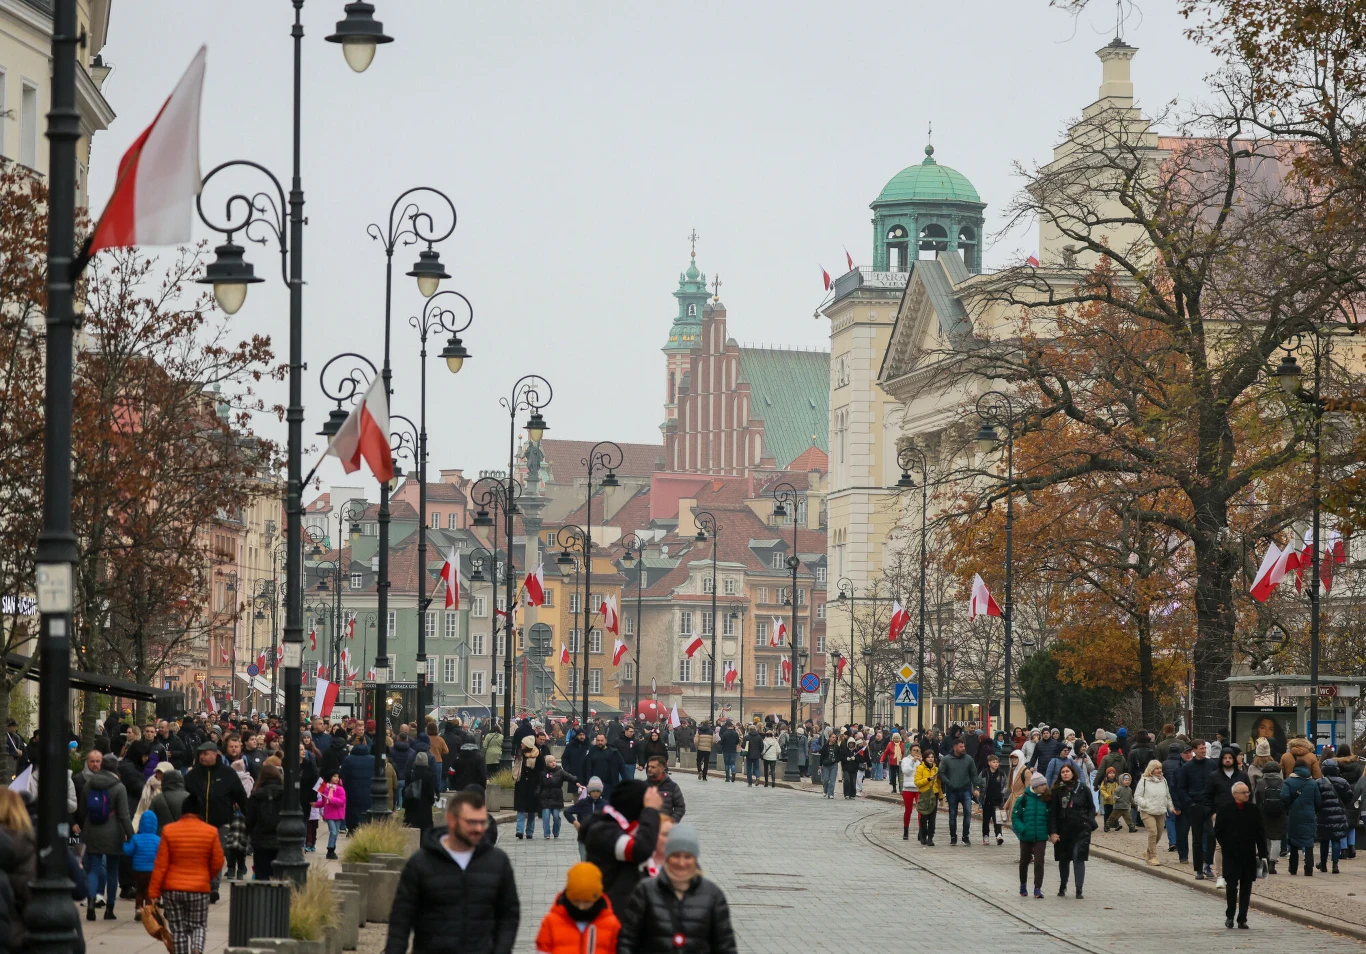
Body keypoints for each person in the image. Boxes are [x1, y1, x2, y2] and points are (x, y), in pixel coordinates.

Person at [385, 789, 519, 954]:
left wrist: (501, 949)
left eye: (482, 822)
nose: (478, 828)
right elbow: (401, 919)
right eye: (471, 822)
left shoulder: (497, 862)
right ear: (451, 820)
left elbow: (509, 914)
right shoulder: (421, 863)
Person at [617, 823, 738, 954]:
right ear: (667, 857)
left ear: (695, 858)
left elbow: (725, 946)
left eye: (687, 857)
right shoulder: (645, 891)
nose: (681, 863)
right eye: (676, 856)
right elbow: (627, 941)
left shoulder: (713, 895)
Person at [149, 793, 224, 954]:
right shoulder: (211, 831)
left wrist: (154, 892)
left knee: (178, 930)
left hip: (172, 889)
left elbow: (161, 865)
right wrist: (206, 877)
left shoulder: (169, 830)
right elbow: (218, 861)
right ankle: (196, 948)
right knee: (199, 925)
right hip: (199, 888)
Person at [181, 741, 247, 902]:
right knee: (200, 856)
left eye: (206, 754)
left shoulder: (228, 774)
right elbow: (184, 796)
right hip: (198, 822)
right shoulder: (192, 775)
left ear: (215, 754)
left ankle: (213, 886)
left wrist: (249, 816)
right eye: (200, 754)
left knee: (216, 855)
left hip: (221, 822)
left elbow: (241, 796)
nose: (202, 757)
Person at [582, 780, 663, 912]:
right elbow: (641, 850)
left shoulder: (623, 828)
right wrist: (651, 811)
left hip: (627, 908)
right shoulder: (604, 831)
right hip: (611, 910)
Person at [79, 751, 134, 920]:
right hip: (113, 833)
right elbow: (124, 815)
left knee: (93, 870)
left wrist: (84, 827)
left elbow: (82, 810)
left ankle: (90, 904)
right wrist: (131, 835)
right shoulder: (119, 787)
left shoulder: (89, 784)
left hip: (92, 831)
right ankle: (109, 909)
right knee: (112, 871)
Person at [1213, 781, 1267, 929]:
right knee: (1231, 886)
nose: (1247, 795)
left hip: (1248, 854)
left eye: (1247, 792)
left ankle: (1242, 918)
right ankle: (1230, 915)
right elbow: (1218, 831)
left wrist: (1263, 853)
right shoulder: (1224, 809)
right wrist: (1227, 846)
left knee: (1246, 887)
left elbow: (1260, 833)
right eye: (1244, 792)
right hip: (1231, 855)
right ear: (1235, 794)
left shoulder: (1254, 810)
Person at [534, 861, 620, 954]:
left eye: (587, 902)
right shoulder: (551, 922)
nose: (581, 907)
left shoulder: (611, 924)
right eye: (576, 901)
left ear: (597, 898)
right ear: (568, 897)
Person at [1048, 763, 1094, 899]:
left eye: (1067, 771)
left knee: (1078, 856)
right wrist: (1053, 832)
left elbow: (1091, 807)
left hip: (1081, 829)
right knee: (1064, 859)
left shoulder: (1083, 789)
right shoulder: (1057, 791)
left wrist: (1089, 821)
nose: (1065, 774)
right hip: (1063, 830)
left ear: (1073, 773)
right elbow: (1053, 814)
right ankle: (1063, 885)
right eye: (1063, 772)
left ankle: (1079, 889)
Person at [1013, 773, 1052, 898]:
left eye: (1045, 784)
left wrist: (1049, 831)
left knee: (1039, 862)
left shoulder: (1047, 799)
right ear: (1035, 786)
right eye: (1042, 785)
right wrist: (1022, 829)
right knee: (1024, 861)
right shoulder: (1023, 799)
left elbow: (1051, 817)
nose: (1044, 787)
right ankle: (1023, 885)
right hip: (1026, 836)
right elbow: (1015, 816)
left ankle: (1037, 888)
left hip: (1040, 836)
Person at [245, 762, 284, 880]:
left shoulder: (256, 794)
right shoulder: (285, 794)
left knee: (262, 873)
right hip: (281, 839)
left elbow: (250, 818)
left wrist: (249, 834)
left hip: (260, 840)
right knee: (279, 875)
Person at [940, 738, 982, 846]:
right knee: (952, 815)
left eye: (964, 746)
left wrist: (977, 787)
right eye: (961, 746)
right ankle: (953, 837)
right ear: (955, 748)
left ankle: (965, 836)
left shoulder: (968, 759)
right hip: (952, 791)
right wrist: (948, 783)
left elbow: (974, 774)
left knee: (967, 813)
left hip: (966, 790)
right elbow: (941, 773)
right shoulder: (947, 759)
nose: (963, 748)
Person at [1282, 763, 1321, 875]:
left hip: (1294, 814)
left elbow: (1284, 797)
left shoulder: (1288, 782)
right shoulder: (1313, 783)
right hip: (1309, 814)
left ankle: (1293, 868)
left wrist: (1288, 808)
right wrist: (1314, 811)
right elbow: (1318, 801)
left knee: (1293, 840)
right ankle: (1309, 868)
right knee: (1308, 841)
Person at [1134, 760, 1174, 865]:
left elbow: (1167, 796)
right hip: (1147, 811)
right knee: (1153, 832)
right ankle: (1153, 857)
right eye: (1157, 768)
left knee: (1159, 834)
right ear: (1151, 769)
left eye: (1160, 768)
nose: (1159, 770)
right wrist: (1144, 803)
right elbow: (1137, 796)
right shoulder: (1144, 780)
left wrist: (1171, 808)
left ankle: (1148, 851)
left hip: (1160, 811)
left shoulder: (1163, 781)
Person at [123, 807, 160, 917]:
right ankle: (148, 911)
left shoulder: (136, 838)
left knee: (139, 890)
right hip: (151, 871)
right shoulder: (158, 840)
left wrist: (124, 844)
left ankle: (138, 910)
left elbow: (128, 852)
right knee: (149, 891)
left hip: (137, 870)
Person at [1316, 760, 1351, 874]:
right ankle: (1335, 864)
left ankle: (1323, 864)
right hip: (1338, 814)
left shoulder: (1319, 782)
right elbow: (1348, 797)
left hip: (1323, 814)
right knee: (1336, 840)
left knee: (1324, 840)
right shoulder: (1343, 782)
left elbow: (1315, 798)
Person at [564, 777, 608, 861]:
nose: (595, 794)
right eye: (593, 791)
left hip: (600, 837)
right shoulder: (583, 803)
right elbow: (567, 812)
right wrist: (575, 822)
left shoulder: (605, 804)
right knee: (584, 860)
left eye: (598, 791)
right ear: (589, 791)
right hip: (584, 837)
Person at [535, 754, 577, 840]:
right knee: (546, 816)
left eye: (554, 761)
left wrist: (576, 781)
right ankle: (547, 833)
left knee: (556, 816)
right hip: (545, 798)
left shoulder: (560, 771)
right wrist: (537, 792)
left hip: (556, 797)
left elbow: (569, 777)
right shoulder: (543, 773)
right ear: (547, 764)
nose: (553, 763)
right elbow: (539, 784)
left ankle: (556, 832)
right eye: (551, 762)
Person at [644, 756, 686, 822]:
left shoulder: (672, 787)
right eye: (648, 766)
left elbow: (680, 807)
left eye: (653, 767)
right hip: (646, 825)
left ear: (661, 769)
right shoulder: (643, 786)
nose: (649, 769)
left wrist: (671, 821)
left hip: (665, 825)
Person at [316, 771, 347, 860]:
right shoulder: (325, 788)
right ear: (330, 777)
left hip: (338, 814)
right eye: (334, 776)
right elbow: (323, 802)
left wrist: (332, 799)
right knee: (333, 831)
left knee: (335, 833)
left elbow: (342, 801)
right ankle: (330, 850)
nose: (336, 778)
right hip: (329, 814)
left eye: (338, 776)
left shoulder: (340, 789)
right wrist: (316, 804)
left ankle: (332, 849)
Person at [404, 752, 437, 833]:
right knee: (425, 830)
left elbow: (405, 789)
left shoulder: (411, 774)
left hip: (412, 805)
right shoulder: (430, 776)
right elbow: (430, 792)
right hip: (425, 806)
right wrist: (432, 801)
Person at [914, 750, 941, 846]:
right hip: (924, 795)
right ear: (925, 758)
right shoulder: (920, 768)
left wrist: (941, 797)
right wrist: (928, 779)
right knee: (924, 817)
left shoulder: (936, 769)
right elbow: (917, 782)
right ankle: (923, 835)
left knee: (932, 818)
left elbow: (939, 784)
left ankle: (930, 837)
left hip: (934, 795)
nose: (930, 759)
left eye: (932, 757)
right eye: (929, 757)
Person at [980, 753, 1008, 846]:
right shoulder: (984, 773)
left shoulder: (1001, 773)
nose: (996, 764)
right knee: (986, 819)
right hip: (987, 799)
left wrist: (1002, 793)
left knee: (998, 819)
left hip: (998, 799)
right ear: (989, 763)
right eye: (994, 762)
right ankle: (985, 835)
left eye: (997, 762)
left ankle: (999, 835)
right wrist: (978, 792)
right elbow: (979, 783)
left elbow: (1006, 784)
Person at [899, 744, 922, 840]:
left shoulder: (921, 761)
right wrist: (913, 761)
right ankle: (906, 830)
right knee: (908, 810)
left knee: (921, 810)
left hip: (919, 788)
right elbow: (906, 771)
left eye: (917, 750)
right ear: (910, 751)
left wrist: (921, 762)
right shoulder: (906, 760)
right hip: (908, 788)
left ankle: (921, 832)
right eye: (914, 750)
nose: (916, 752)